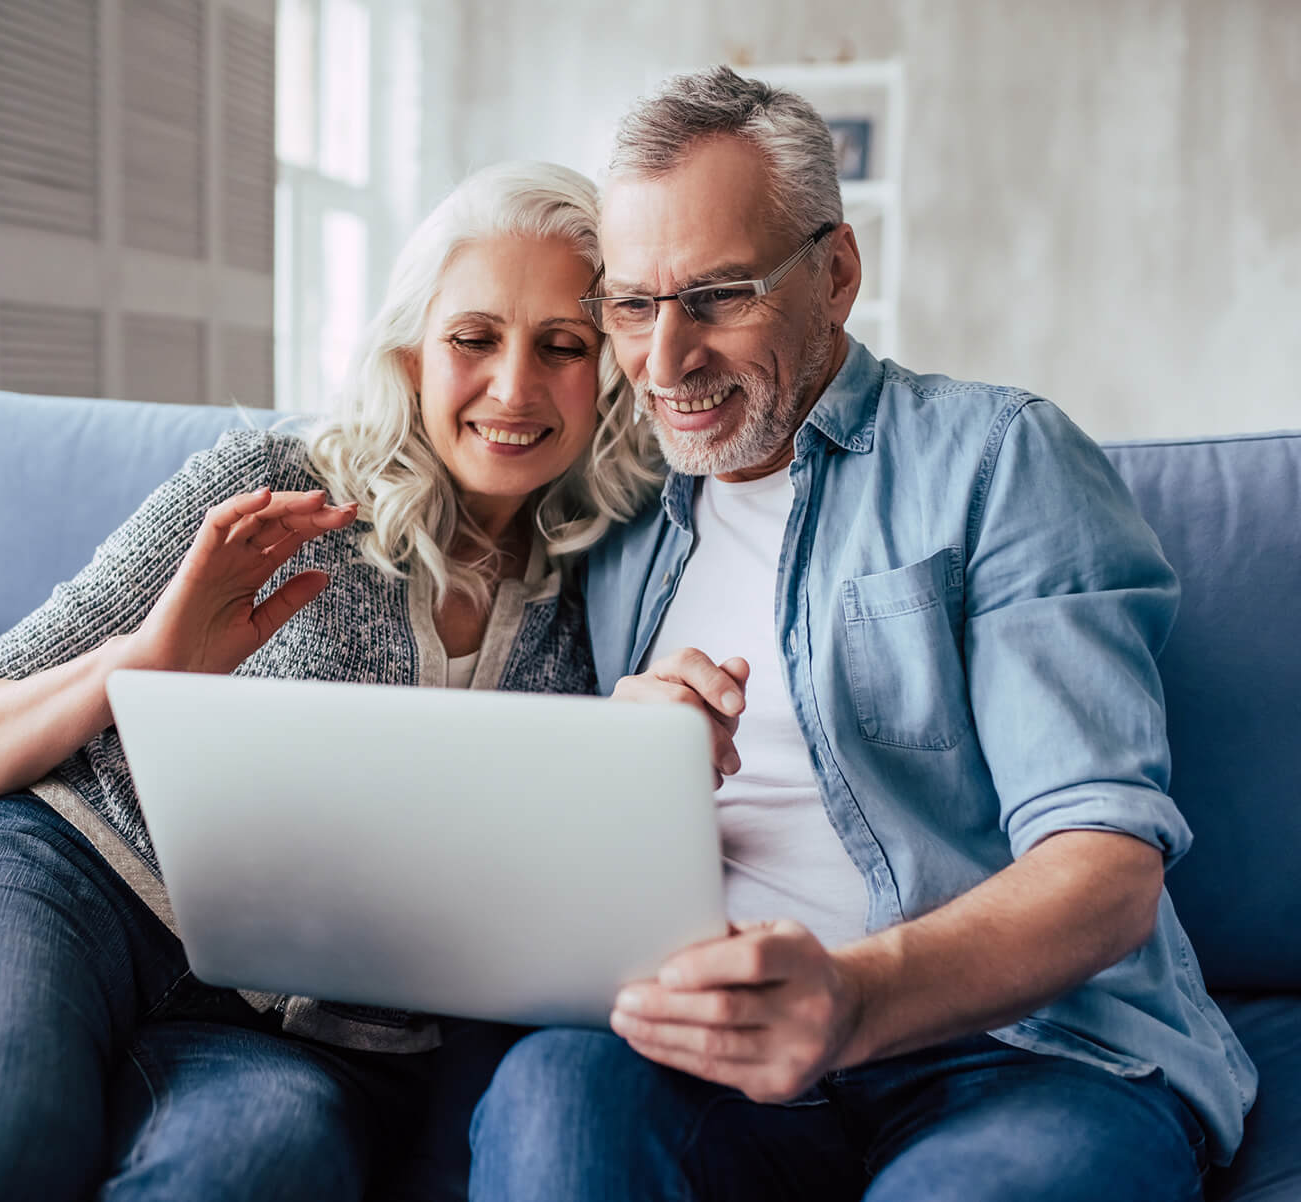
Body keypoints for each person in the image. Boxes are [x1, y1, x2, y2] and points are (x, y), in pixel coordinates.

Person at [467, 67, 1256, 1202]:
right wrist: (618, 763)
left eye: (719, 295)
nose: (665, 360)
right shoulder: (618, 508)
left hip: (1022, 1052)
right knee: (551, 1093)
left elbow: (1104, 866)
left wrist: (856, 998)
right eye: (633, 304)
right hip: (715, 1056)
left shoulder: (999, 460)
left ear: (835, 274)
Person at [0, 160, 661, 1202]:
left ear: (608, 372)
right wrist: (144, 663)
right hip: (54, 884)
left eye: (562, 346)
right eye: (474, 338)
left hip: (286, 1039)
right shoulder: (275, 485)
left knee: (258, 1162)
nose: (514, 386)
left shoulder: (602, 590)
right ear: (410, 352)